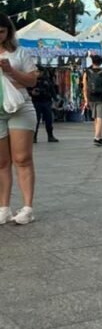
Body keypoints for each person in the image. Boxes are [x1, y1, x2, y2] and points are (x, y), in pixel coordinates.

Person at [0, 12, 39, 224]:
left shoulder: (20, 53)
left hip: (21, 107)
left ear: (8, 32)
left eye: (1, 31)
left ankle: (27, 208)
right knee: (1, 162)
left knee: (22, 158)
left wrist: (10, 71)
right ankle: (4, 208)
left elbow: (32, 81)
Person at [30, 66, 59, 143]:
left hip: (46, 102)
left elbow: (52, 90)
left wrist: (56, 99)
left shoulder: (47, 80)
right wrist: (31, 93)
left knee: (49, 120)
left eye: (39, 71)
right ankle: (34, 137)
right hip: (36, 102)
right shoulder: (31, 80)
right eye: (36, 71)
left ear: (42, 72)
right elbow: (27, 90)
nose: (37, 73)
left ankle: (50, 136)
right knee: (36, 121)